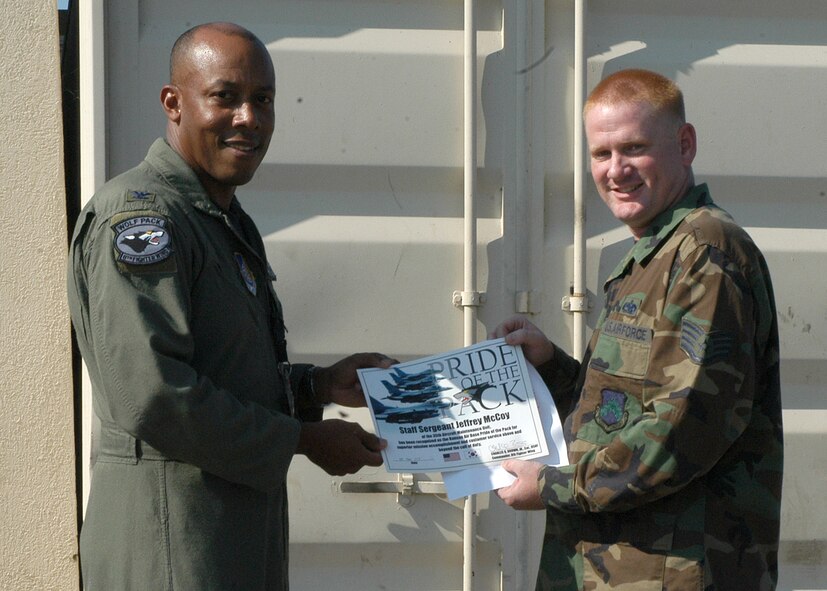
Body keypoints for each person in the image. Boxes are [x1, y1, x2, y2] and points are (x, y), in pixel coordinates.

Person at [67, 22, 395, 590]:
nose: (249, 117)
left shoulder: (218, 218)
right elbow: (154, 395)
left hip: (228, 542)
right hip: (171, 548)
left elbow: (223, 370)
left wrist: (317, 387)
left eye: (262, 99)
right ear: (174, 103)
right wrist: (302, 439)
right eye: (225, 96)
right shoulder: (143, 219)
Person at [492, 69, 783, 590]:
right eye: (601, 154)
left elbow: (683, 429)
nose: (616, 170)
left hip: (672, 572)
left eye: (634, 148)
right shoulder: (654, 253)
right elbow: (627, 408)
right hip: (621, 567)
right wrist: (553, 369)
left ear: (685, 144)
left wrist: (555, 486)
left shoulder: (707, 253)